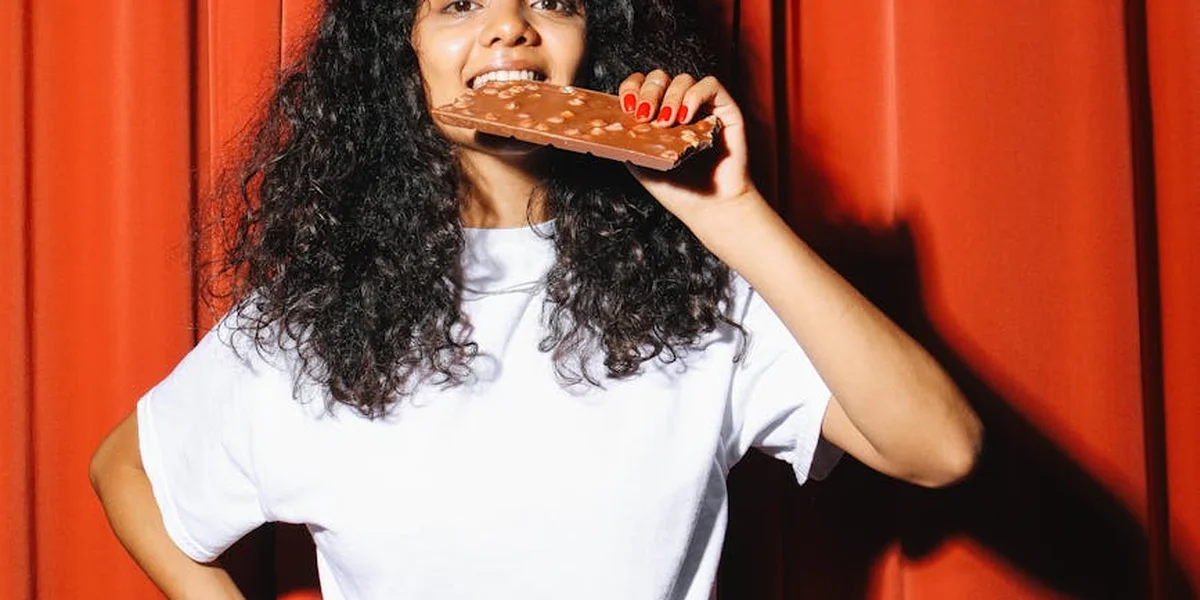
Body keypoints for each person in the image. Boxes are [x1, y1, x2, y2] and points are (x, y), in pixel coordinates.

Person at [90, 1, 983, 598]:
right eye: (459, 2)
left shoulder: (696, 290)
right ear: (397, 50)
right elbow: (127, 469)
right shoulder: (318, 319)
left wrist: (732, 215)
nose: (510, 27)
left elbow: (939, 448)